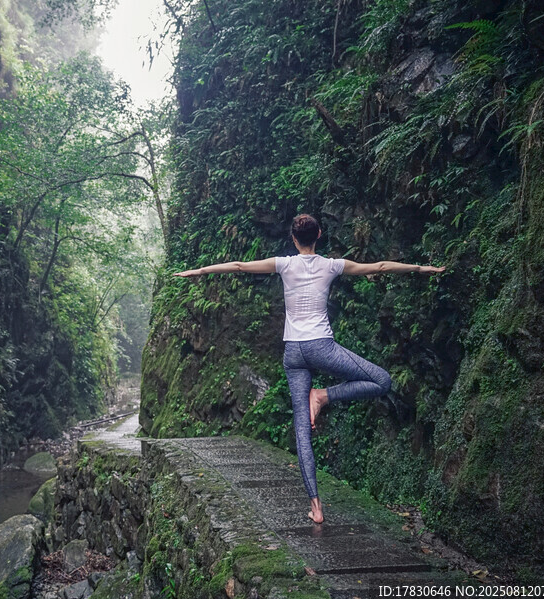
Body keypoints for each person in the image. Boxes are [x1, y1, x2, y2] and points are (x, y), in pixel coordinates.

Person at [173, 213, 445, 524]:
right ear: (318, 236)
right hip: (322, 348)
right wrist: (423, 269)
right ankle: (325, 396)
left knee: (302, 430)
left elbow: (237, 266)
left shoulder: (284, 264)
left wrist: (197, 271)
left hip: (293, 354)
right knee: (382, 380)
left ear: (293, 239)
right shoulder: (332, 265)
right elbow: (381, 266)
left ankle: (316, 507)